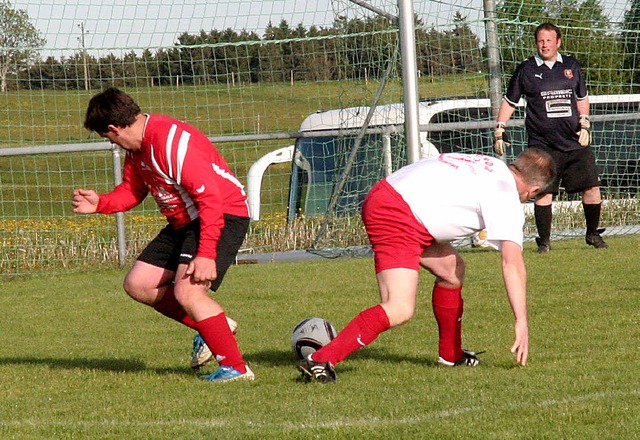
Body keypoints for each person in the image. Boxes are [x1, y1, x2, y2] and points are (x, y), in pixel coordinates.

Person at [298, 149, 556, 383]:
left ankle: (451, 354)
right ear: (533, 190)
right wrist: (521, 321)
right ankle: (321, 359)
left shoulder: (490, 163)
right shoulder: (507, 195)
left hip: (395, 199)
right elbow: (512, 264)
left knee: (453, 272)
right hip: (397, 213)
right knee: (399, 308)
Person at [73, 87, 254, 382]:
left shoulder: (171, 144)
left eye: (107, 138)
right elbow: (133, 191)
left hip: (222, 214)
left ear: (113, 129)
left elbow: (210, 200)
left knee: (188, 292)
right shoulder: (137, 148)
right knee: (139, 284)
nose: (112, 144)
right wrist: (101, 203)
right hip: (185, 221)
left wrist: (206, 253)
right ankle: (214, 327)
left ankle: (237, 369)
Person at [493, 22, 607, 253]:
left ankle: (593, 234)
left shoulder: (571, 65)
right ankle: (544, 242)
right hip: (542, 145)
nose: (544, 45)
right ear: (536, 43)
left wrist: (585, 123)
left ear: (558, 42)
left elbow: (581, 97)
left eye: (548, 40)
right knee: (543, 192)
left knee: (592, 188)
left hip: (574, 142)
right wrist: (500, 127)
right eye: (540, 41)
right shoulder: (526, 69)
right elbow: (510, 101)